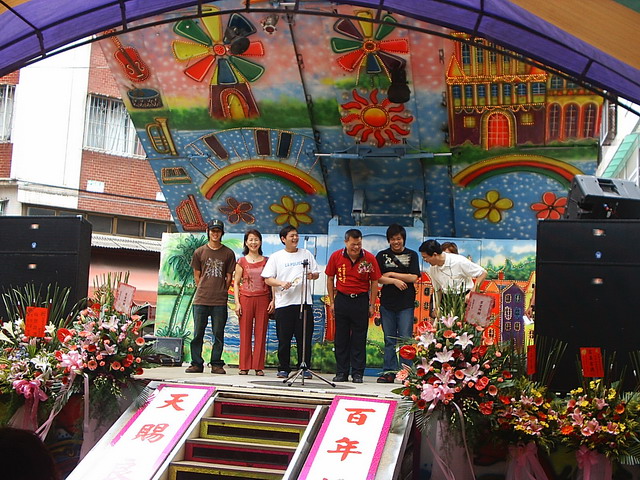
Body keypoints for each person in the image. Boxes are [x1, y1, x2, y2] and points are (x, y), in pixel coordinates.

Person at [262, 225, 320, 379]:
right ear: (283, 239)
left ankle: (304, 367)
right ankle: (283, 368)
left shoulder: (306, 254)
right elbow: (268, 279)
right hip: (284, 303)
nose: (295, 238)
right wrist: (281, 283)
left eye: (296, 235)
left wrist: (312, 276)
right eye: (291, 236)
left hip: (303, 303)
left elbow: (316, 274)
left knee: (304, 338)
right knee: (284, 338)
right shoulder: (276, 257)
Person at [326, 229, 381, 383]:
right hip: (342, 300)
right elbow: (330, 278)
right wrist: (332, 302)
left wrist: (372, 304)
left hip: (360, 300)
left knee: (359, 338)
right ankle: (341, 372)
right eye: (353, 244)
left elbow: (375, 281)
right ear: (346, 242)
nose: (356, 247)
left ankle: (357, 373)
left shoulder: (369, 258)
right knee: (341, 338)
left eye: (359, 244)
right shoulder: (336, 256)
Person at [186, 219, 236, 374]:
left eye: (218, 231)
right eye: (213, 230)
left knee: (218, 334)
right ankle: (196, 363)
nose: (215, 233)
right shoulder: (199, 252)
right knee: (198, 334)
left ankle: (216, 363)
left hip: (219, 301)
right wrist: (204, 288)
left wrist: (221, 291)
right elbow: (197, 275)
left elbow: (229, 277)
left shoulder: (228, 253)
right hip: (201, 299)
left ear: (222, 233)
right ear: (208, 232)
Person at [375, 224, 420, 383]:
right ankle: (389, 371)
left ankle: (406, 373)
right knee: (389, 340)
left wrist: (393, 274)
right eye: (393, 239)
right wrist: (394, 281)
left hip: (406, 304)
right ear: (389, 240)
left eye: (399, 239)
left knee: (405, 340)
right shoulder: (381, 256)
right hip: (387, 304)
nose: (396, 242)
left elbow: (414, 277)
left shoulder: (412, 255)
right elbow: (378, 278)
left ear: (403, 239)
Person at [233, 229, 275, 376]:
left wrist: (273, 300)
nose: (253, 242)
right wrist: (237, 303)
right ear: (246, 242)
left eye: (256, 239)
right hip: (245, 298)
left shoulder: (267, 261)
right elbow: (236, 283)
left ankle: (258, 366)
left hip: (263, 298)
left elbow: (271, 281)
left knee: (261, 333)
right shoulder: (241, 261)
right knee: (245, 333)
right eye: (250, 240)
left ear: (260, 242)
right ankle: (244, 366)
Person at [419, 239, 487, 317]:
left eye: (425, 257)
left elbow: (483, 273)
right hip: (447, 299)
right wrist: (436, 308)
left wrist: (471, 293)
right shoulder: (432, 269)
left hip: (464, 297)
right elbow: (437, 290)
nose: (425, 260)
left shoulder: (459, 261)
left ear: (435, 254)